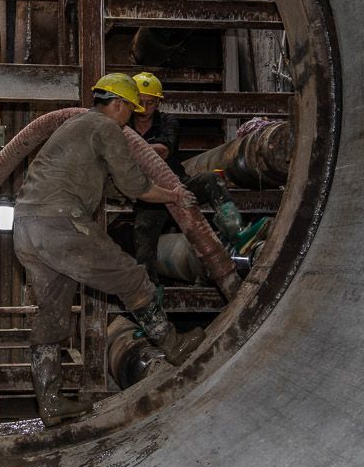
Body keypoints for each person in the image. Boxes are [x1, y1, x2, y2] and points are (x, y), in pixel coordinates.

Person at [13, 73, 206, 427]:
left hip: (26, 227)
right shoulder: (105, 128)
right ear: (117, 105)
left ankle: (50, 402)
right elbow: (137, 186)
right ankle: (174, 346)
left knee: (51, 314)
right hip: (61, 224)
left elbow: (102, 182)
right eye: (129, 110)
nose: (130, 118)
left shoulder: (75, 126)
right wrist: (175, 195)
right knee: (132, 278)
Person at [128, 71, 245, 284]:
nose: (145, 108)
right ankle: (151, 296)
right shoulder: (124, 126)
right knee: (144, 234)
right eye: (140, 102)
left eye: (151, 102)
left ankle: (236, 230)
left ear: (158, 102)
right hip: (152, 195)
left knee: (210, 179)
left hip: (179, 185)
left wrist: (131, 150)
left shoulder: (167, 121)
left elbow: (164, 150)